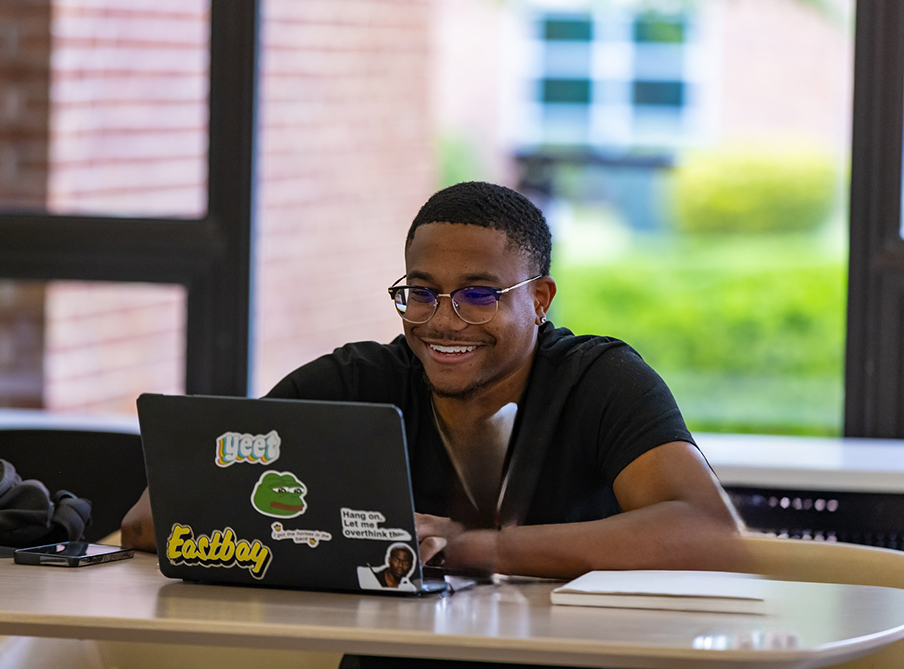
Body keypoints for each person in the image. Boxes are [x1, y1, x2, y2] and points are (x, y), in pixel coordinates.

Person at [122, 181, 744, 579]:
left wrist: (476, 547)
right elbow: (154, 521)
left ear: (541, 299)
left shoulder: (600, 381)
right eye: (421, 293)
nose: (443, 321)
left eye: (479, 295)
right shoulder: (355, 382)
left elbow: (706, 529)